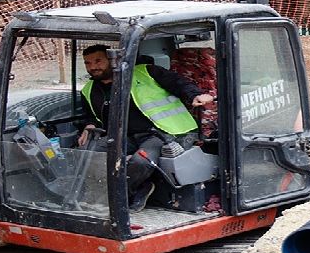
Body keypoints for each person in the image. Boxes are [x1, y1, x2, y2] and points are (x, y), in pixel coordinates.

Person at [78, 44, 214, 212]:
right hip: (124, 137)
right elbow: (92, 115)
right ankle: (102, 194)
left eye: (98, 61)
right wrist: (89, 125)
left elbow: (177, 82)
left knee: (141, 161)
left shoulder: (146, 72)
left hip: (160, 133)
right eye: (87, 63)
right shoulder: (88, 90)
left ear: (113, 60)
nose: (93, 67)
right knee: (87, 152)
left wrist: (195, 94)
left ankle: (116, 197)